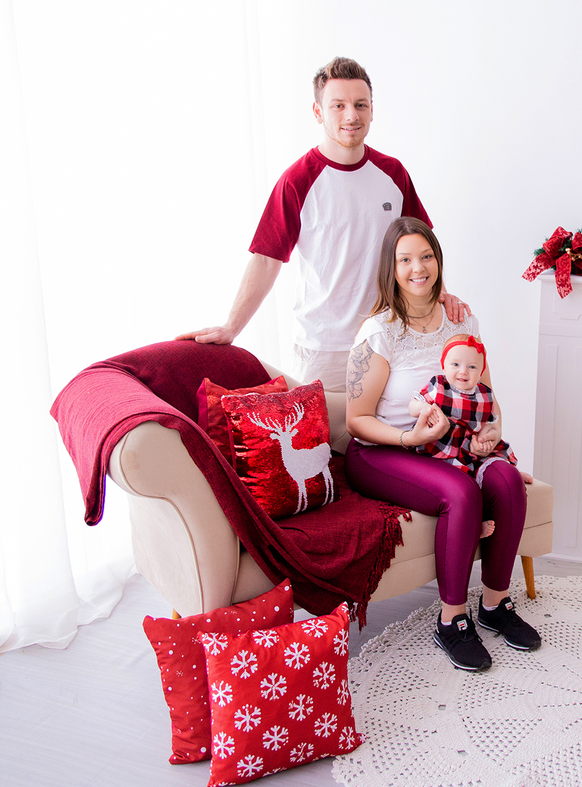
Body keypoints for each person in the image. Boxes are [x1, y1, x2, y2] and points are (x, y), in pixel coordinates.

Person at [177, 56, 467, 391]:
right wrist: (231, 327)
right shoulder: (297, 181)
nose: (351, 115)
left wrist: (441, 295)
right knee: (324, 442)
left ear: (372, 109)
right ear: (318, 112)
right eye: (338, 105)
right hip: (322, 347)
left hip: (388, 334)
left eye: (360, 104)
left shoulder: (393, 174)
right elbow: (266, 259)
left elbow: (422, 247)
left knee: (392, 436)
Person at [344, 217, 539, 673]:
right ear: (390, 269)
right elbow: (356, 420)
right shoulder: (378, 332)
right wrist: (409, 437)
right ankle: (451, 620)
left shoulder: (461, 318)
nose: (418, 268)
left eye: (426, 256)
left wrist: (492, 431)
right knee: (460, 490)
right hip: (384, 451)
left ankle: (494, 605)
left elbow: (487, 398)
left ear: (438, 260)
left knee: (507, 480)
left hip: (453, 447)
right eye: (405, 259)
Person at [408, 334, 519, 539]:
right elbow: (413, 403)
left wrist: (489, 435)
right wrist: (423, 409)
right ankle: (474, 524)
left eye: (472, 367)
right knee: (464, 485)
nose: (463, 371)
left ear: (481, 372)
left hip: (469, 447)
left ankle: (515, 474)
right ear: (444, 366)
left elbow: (492, 422)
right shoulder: (439, 386)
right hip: (442, 446)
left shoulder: (484, 394)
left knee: (495, 471)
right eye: (456, 364)